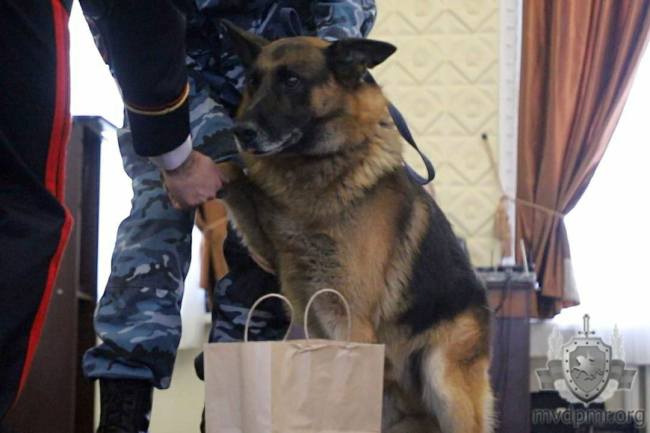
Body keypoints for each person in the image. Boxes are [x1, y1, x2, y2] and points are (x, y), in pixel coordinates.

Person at [77, 1, 378, 432]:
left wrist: (322, 67)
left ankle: (230, 412)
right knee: (156, 220)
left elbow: (347, 7)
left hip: (281, 89)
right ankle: (122, 412)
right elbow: (129, 35)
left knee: (269, 245)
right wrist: (190, 156)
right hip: (172, 87)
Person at [0, 0, 228, 429]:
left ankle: (233, 409)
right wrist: (170, 143)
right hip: (174, 72)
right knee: (148, 224)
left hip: (273, 84)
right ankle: (123, 413)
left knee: (256, 252)